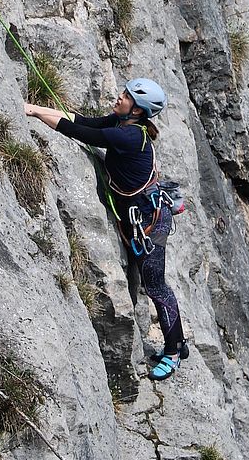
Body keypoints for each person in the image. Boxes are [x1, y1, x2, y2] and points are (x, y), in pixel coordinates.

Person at [24, 77, 187, 380]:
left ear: (137, 111)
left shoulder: (130, 137)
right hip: (139, 218)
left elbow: (77, 132)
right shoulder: (121, 122)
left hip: (149, 222)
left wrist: (32, 113)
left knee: (156, 286)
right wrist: (33, 107)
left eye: (126, 96)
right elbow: (82, 120)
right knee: (151, 284)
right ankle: (177, 341)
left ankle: (175, 350)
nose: (119, 97)